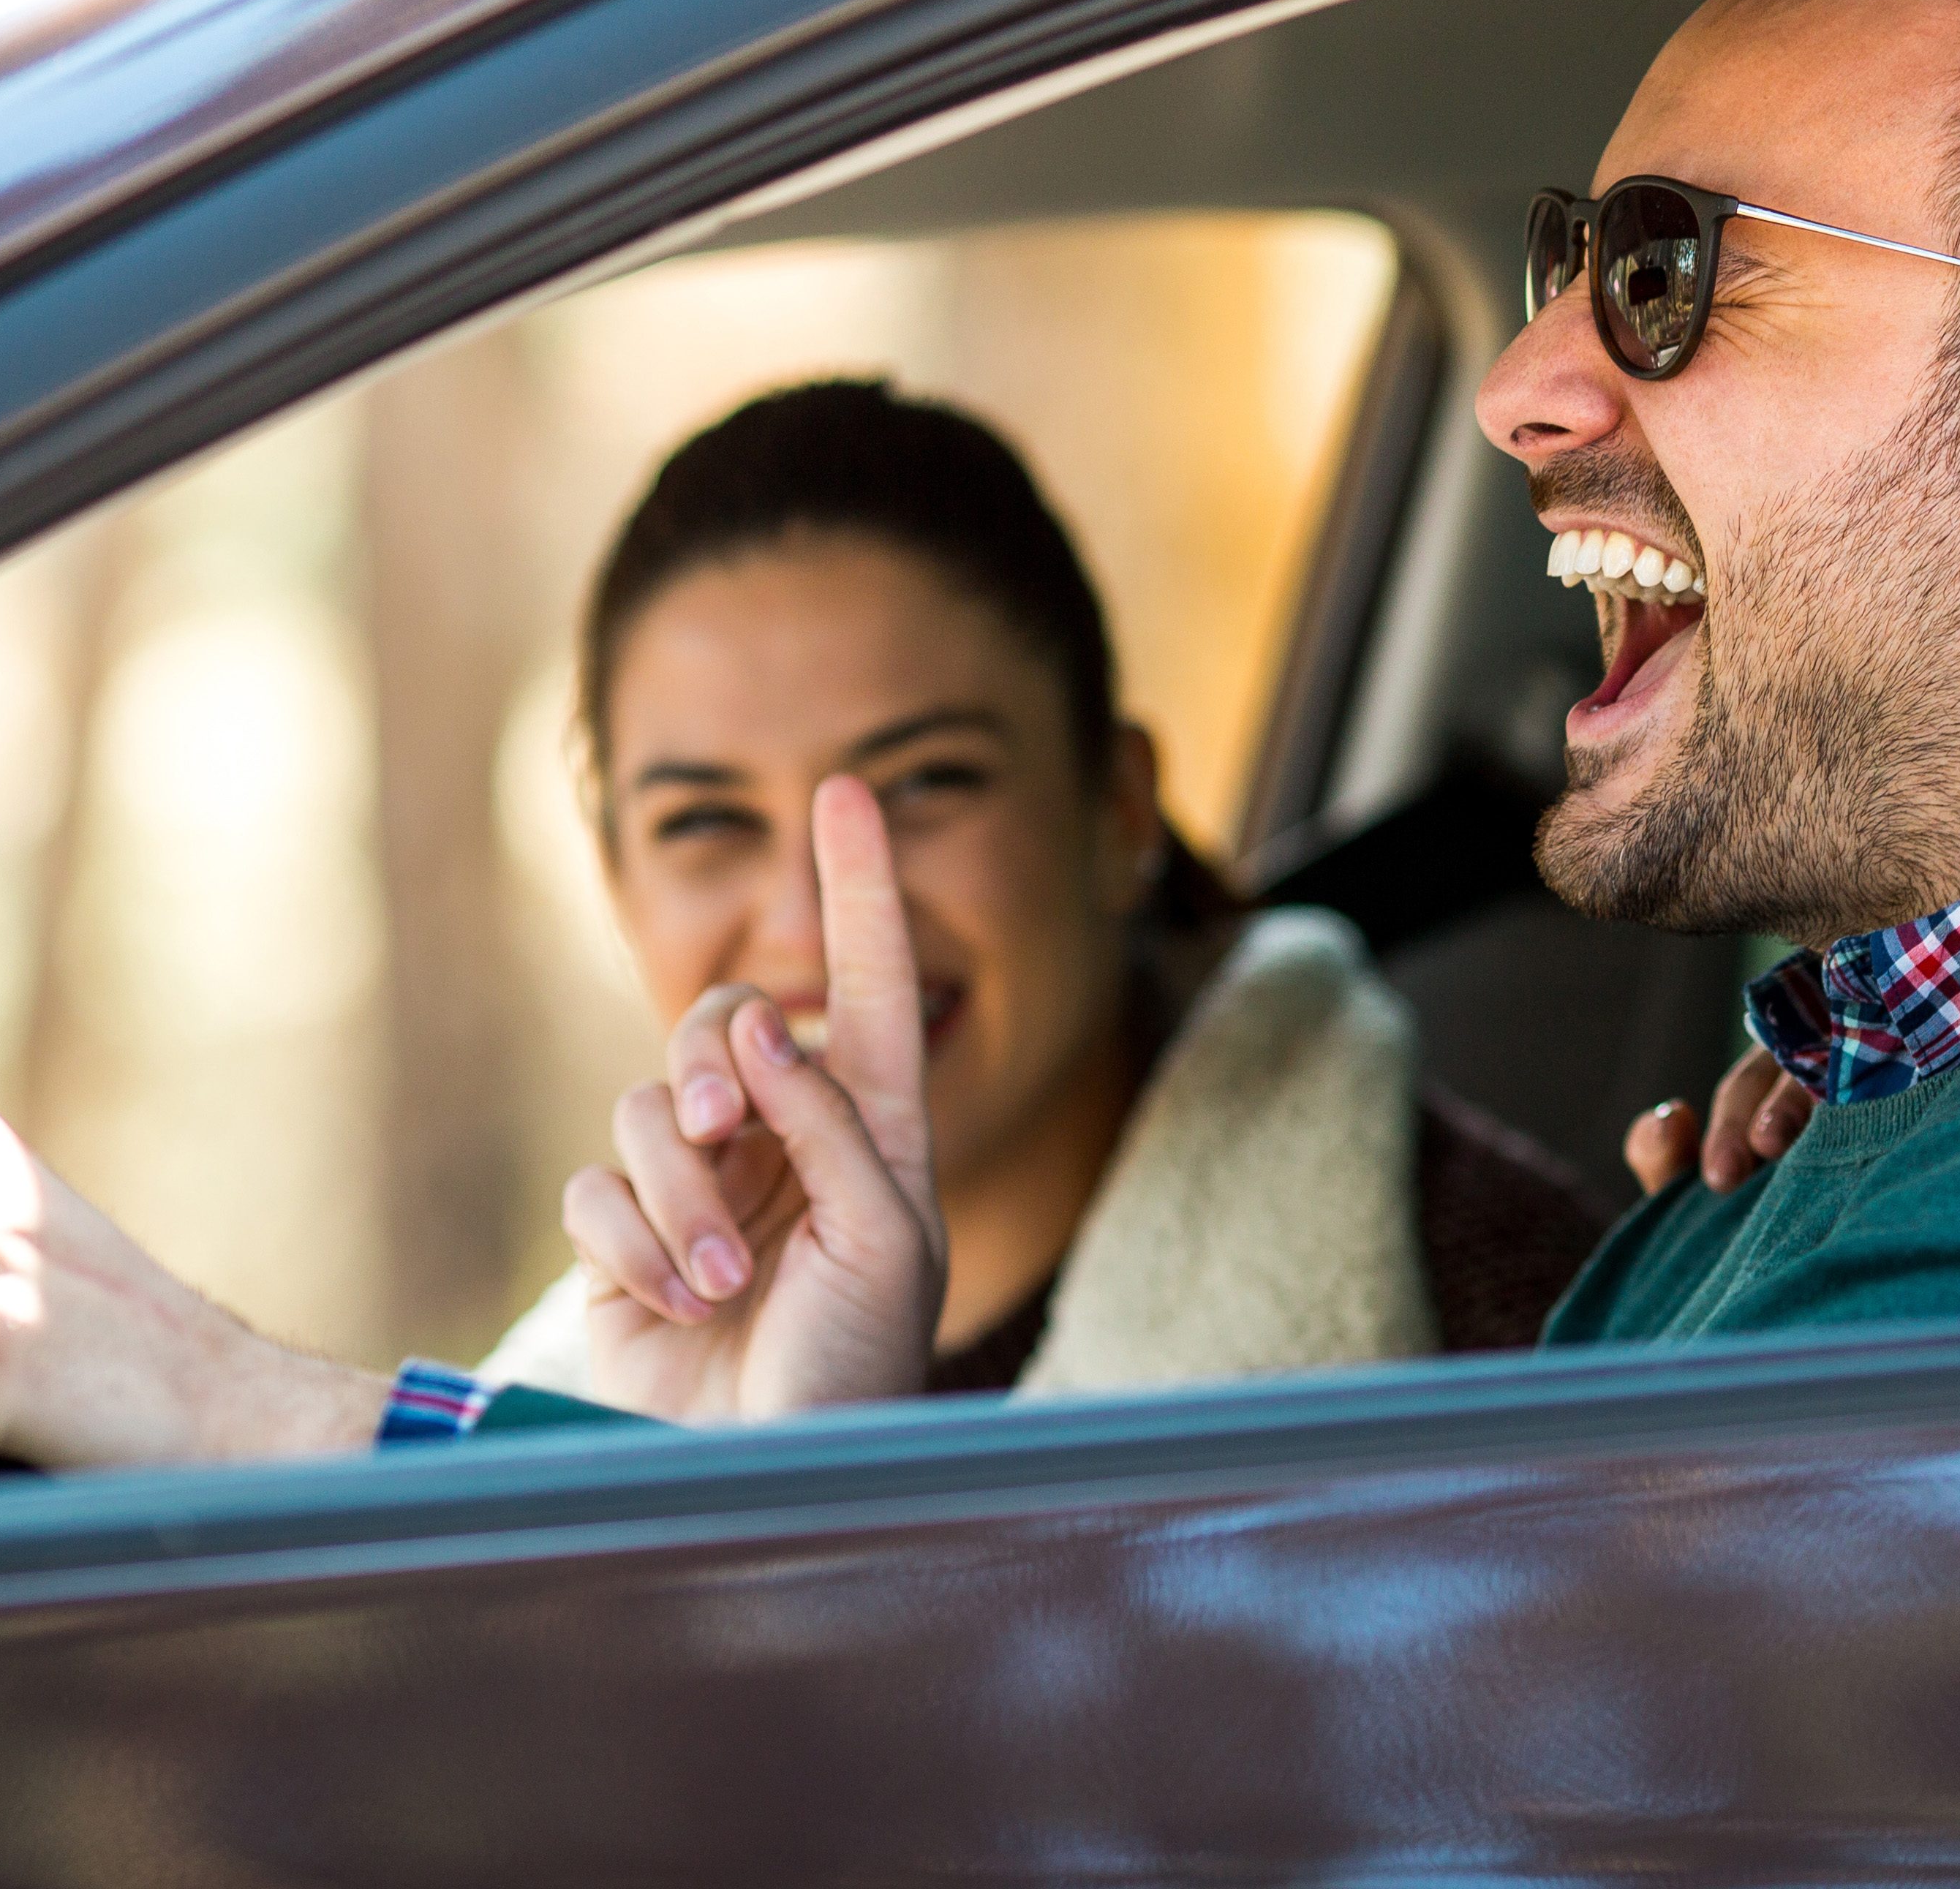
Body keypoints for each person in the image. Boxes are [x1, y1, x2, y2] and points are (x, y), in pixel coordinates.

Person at [0, 0, 1960, 1468]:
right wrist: (814, 1459)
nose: (1528, 385)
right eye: (1556, 267)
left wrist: (245, 1414)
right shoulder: (1951, 1122)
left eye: (1673, 274)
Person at [485, 380, 1602, 1411]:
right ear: (617, 883)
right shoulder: (572, 1410)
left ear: (1117, 815)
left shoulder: (1513, 1335)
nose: (815, 920)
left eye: (926, 783)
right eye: (707, 822)